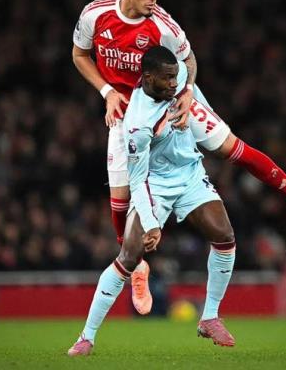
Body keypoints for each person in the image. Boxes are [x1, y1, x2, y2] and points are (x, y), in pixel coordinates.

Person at [72, 0, 286, 315]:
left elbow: (189, 60)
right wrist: (106, 92)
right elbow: (79, 54)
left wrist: (185, 94)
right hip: (127, 112)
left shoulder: (163, 24)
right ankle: (138, 268)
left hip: (172, 99)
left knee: (233, 149)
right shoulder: (95, 14)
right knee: (119, 198)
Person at [68, 46, 237, 356]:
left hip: (189, 174)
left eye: (175, 77)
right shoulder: (137, 124)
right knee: (129, 256)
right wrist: (150, 223)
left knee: (224, 236)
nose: (174, 83)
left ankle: (210, 317)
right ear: (147, 78)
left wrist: (189, 89)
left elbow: (189, 63)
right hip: (155, 183)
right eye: (168, 78)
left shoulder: (177, 78)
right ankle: (86, 337)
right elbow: (138, 179)